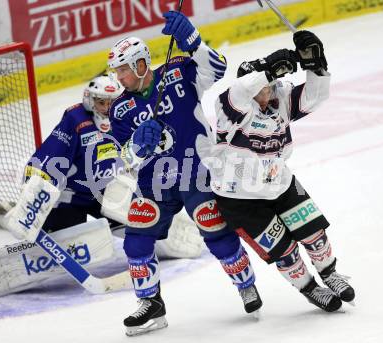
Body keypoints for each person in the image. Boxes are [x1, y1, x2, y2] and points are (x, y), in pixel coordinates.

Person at [0, 74, 204, 298]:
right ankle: (7, 268)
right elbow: (48, 159)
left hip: (107, 191)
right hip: (69, 198)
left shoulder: (125, 116)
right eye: (101, 103)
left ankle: (168, 238)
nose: (106, 109)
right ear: (89, 100)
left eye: (111, 103)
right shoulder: (76, 120)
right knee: (59, 245)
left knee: (141, 225)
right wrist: (30, 200)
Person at [107, 11, 262, 336]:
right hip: (155, 184)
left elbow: (217, 68)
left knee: (214, 229)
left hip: (197, 172)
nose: (119, 77)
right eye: (116, 71)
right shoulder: (120, 109)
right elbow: (124, 157)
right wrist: (138, 144)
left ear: (139, 64)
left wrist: (193, 42)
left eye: (123, 69)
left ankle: (245, 284)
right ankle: (151, 304)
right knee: (136, 241)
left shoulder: (177, 71)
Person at [197, 30, 355, 313]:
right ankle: (309, 288)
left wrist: (316, 66)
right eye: (259, 88)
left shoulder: (279, 100)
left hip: (279, 184)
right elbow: (238, 93)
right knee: (284, 252)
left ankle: (330, 273)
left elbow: (314, 97)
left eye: (268, 86)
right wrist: (266, 67)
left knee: (314, 234)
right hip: (240, 198)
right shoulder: (230, 107)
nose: (265, 94)